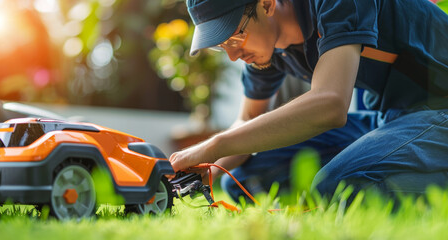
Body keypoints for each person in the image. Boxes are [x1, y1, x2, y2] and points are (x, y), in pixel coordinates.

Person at [168, 0, 448, 202]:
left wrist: (214, 146)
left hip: (440, 108)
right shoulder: (267, 48)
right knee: (243, 180)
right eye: (221, 45)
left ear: (266, 5)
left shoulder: (335, 4)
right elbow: (249, 118)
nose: (232, 55)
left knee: (339, 184)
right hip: (393, 117)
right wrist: (204, 171)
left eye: (235, 36)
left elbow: (330, 105)